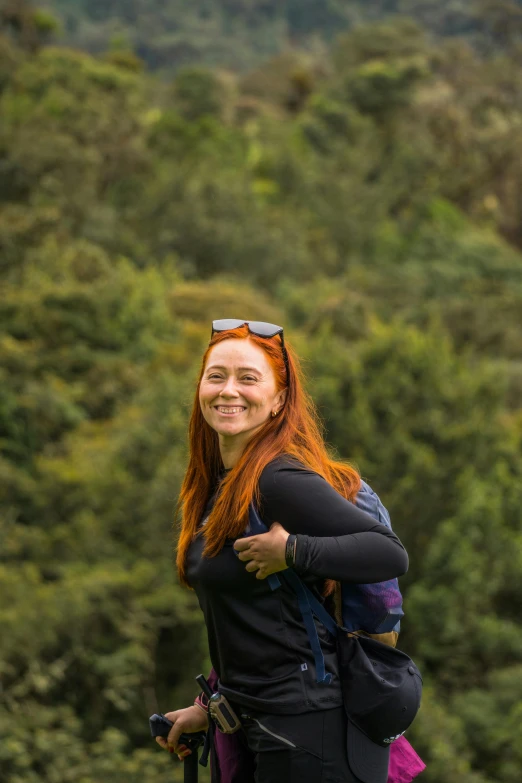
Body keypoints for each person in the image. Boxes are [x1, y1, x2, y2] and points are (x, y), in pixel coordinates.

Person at [156, 320, 409, 783]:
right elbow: (259, 621)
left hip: (308, 732)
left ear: (278, 401)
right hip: (259, 725)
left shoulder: (278, 479)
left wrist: (292, 550)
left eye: (248, 378)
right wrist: (207, 706)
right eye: (216, 376)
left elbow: (388, 553)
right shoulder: (219, 484)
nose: (228, 390)